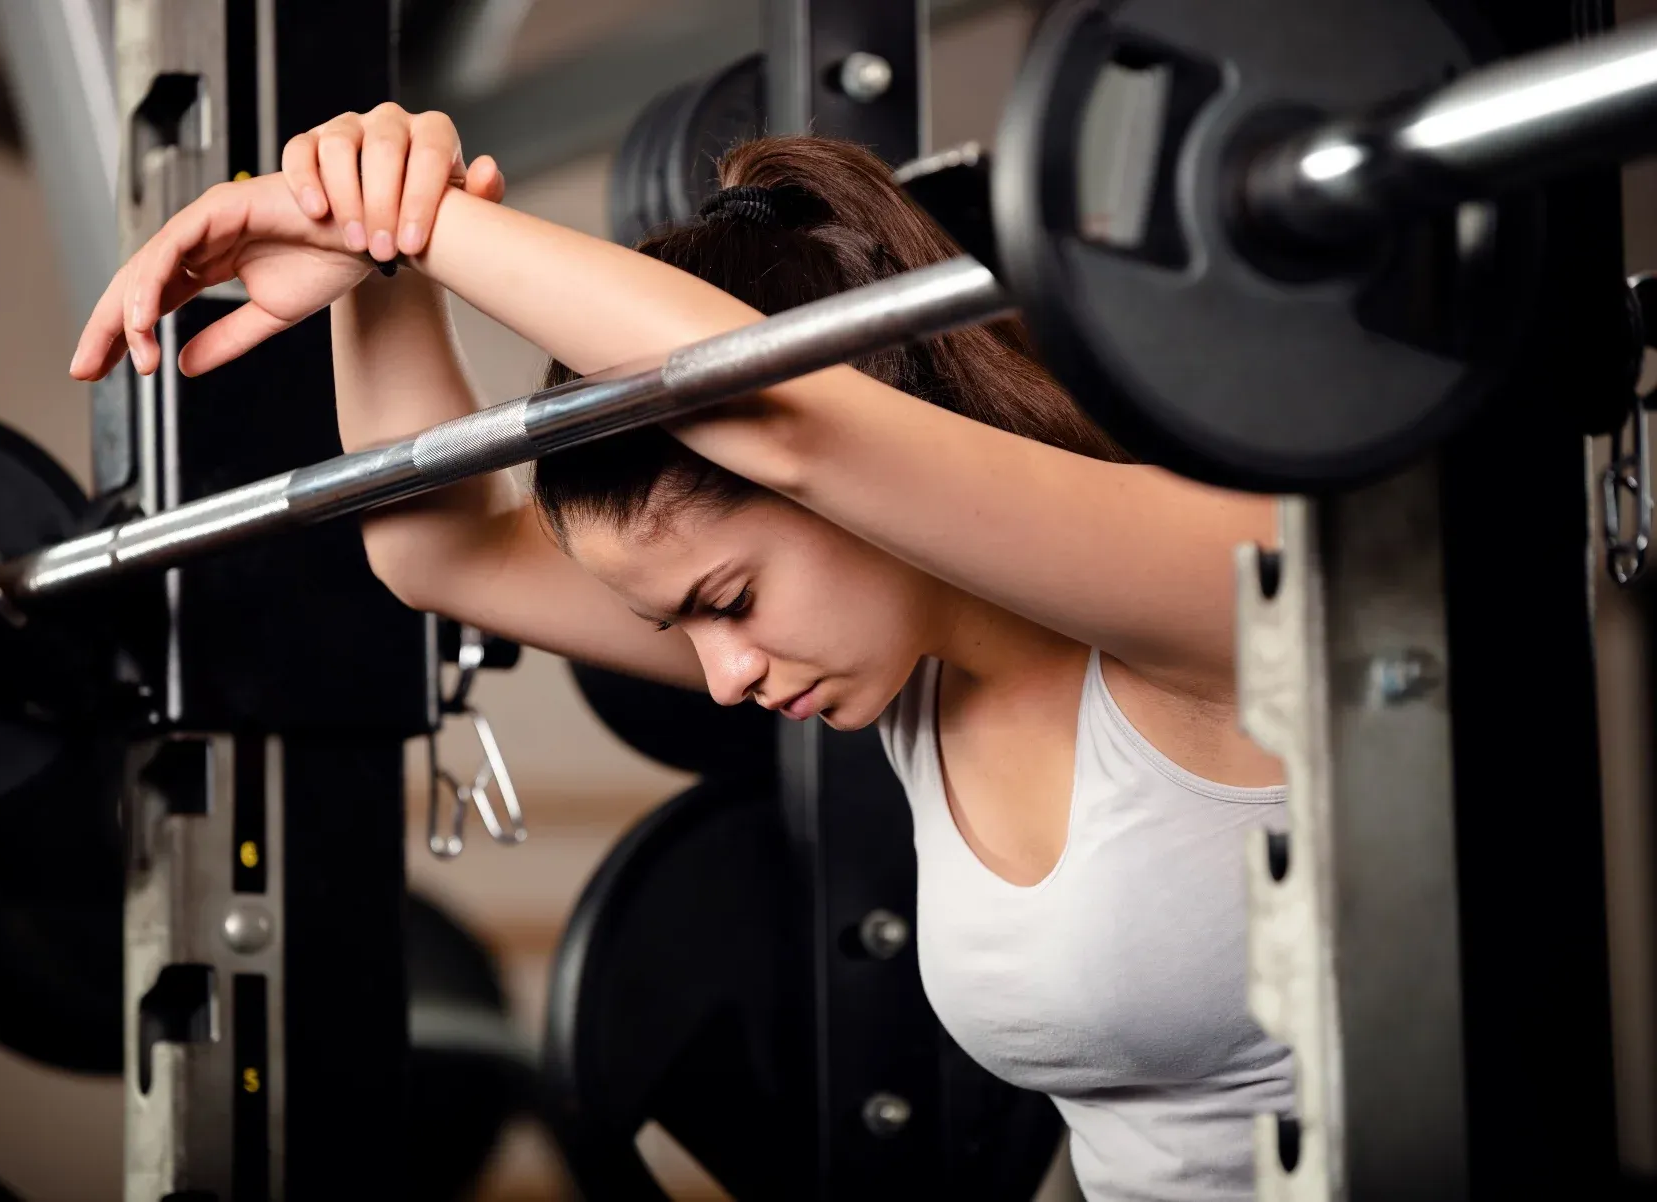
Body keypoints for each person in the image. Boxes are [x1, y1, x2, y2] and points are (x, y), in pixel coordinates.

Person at [70, 104, 1295, 1202]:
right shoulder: (918, 687)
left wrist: (427, 216)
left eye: (730, 597)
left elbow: (783, 419)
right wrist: (373, 255)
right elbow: (440, 554)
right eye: (686, 625)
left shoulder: (1213, 599)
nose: (726, 676)